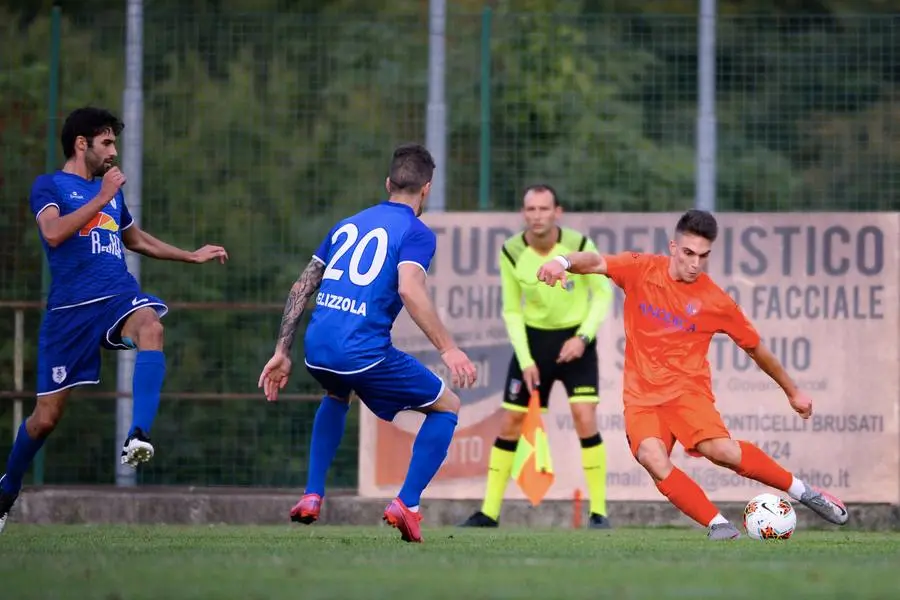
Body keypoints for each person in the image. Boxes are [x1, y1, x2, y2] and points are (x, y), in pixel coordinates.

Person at [535, 209, 849, 540]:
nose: (695, 263)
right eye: (688, 253)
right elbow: (596, 261)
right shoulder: (641, 269)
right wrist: (562, 262)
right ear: (673, 247)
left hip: (688, 394)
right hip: (642, 398)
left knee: (722, 452)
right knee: (651, 458)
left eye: (703, 256)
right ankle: (718, 525)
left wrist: (792, 391)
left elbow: (756, 348)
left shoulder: (715, 301)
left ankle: (803, 492)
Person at [0, 107, 228, 534]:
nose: (114, 151)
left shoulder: (111, 191)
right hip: (69, 313)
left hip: (117, 297)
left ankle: (137, 434)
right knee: (45, 419)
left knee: (152, 328)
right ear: (81, 144)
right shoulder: (50, 186)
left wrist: (189, 254)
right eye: (106, 143)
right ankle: (6, 489)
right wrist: (101, 196)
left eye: (114, 143)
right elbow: (52, 234)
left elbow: (134, 238)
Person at [258, 143, 477, 543]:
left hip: (316, 348)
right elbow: (411, 290)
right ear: (426, 189)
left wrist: (281, 352)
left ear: (388, 183)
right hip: (360, 352)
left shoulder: (347, 224)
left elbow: (302, 285)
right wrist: (449, 348)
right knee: (447, 406)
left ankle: (311, 495)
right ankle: (407, 504)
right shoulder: (416, 232)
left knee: (336, 391)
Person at [460, 184, 614, 530]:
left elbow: (602, 295)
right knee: (512, 423)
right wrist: (526, 359)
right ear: (523, 213)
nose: (537, 216)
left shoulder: (578, 246)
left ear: (557, 212)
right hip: (533, 344)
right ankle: (488, 513)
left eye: (544, 209)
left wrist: (583, 337)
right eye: (531, 209)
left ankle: (599, 513)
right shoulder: (512, 251)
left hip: (576, 340)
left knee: (584, 417)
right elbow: (512, 310)